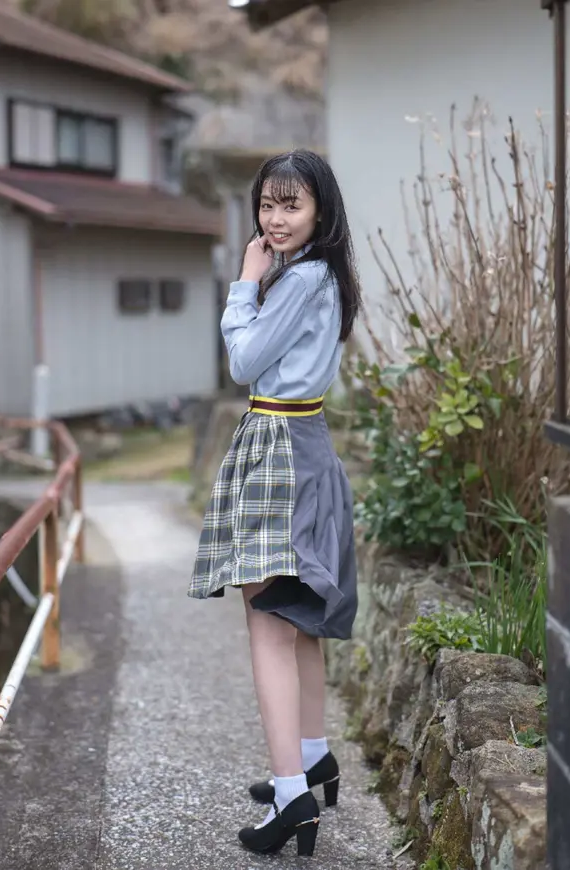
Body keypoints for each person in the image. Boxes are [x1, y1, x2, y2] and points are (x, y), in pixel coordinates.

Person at [188, 149, 362, 858]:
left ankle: (293, 796)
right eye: (267, 204)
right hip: (305, 440)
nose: (276, 218)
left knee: (267, 623)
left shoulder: (300, 278)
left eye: (292, 205)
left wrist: (243, 283)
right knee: (296, 621)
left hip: (278, 449)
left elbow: (242, 363)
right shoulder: (324, 274)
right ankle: (312, 757)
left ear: (321, 210)